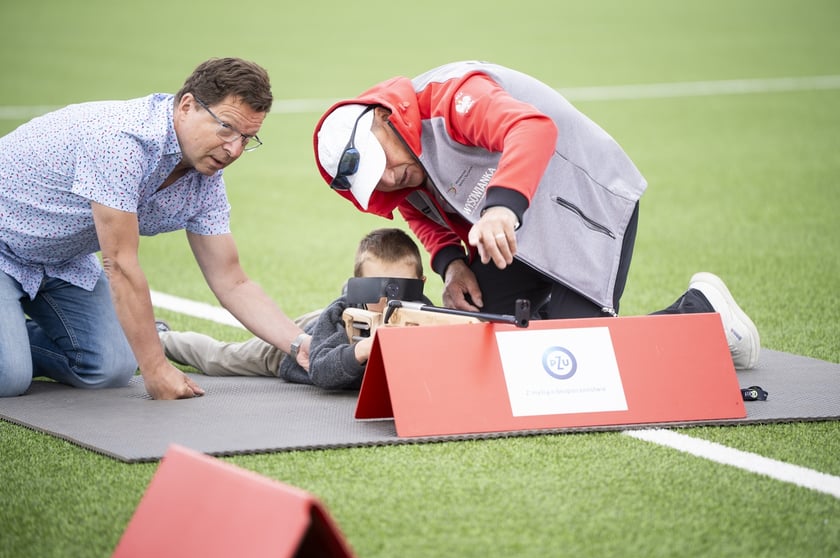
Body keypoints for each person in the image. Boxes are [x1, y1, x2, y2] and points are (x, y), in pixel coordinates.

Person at [312, 60, 760, 369]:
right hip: (509, 225)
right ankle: (551, 316)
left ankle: (702, 313)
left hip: (583, 199)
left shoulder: (451, 95)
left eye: (383, 163)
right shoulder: (399, 172)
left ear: (383, 120)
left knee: (581, 360)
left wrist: (502, 209)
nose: (389, 179)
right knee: (481, 341)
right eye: (376, 183)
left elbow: (531, 127)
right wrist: (452, 267)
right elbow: (422, 213)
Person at [0, 57, 312, 400]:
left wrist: (298, 343)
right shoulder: (121, 141)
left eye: (247, 138)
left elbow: (232, 281)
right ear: (187, 106)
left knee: (111, 368)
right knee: (9, 378)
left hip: (61, 258)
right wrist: (155, 367)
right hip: (4, 243)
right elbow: (119, 264)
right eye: (226, 128)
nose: (234, 149)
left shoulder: (205, 180)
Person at [158, 227, 430, 390]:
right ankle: (160, 339)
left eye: (402, 290)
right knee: (220, 359)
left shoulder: (424, 316)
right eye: (373, 289)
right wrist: (361, 350)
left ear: (421, 285)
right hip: (296, 347)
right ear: (357, 286)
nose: (387, 302)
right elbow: (321, 371)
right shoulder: (340, 317)